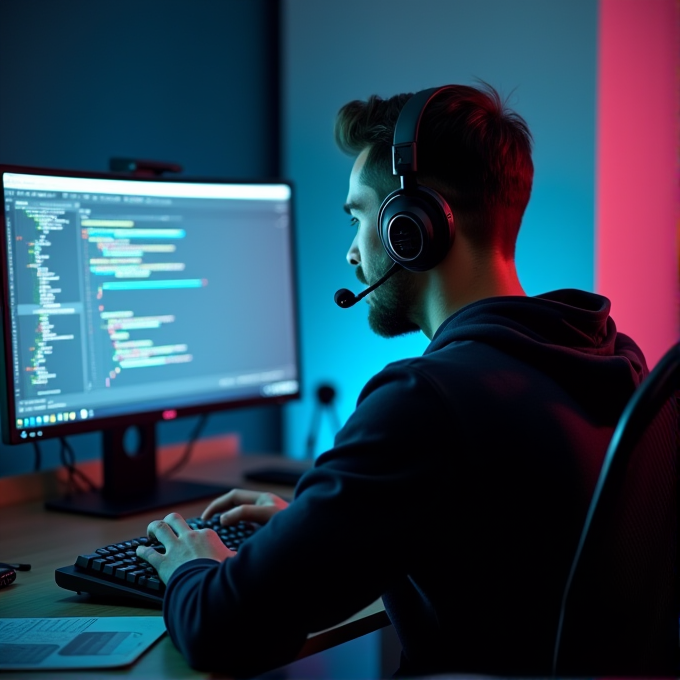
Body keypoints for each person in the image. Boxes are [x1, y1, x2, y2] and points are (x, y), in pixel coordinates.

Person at [136, 84, 652, 676]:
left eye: (359, 216)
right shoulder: (605, 355)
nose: (353, 252)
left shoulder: (427, 400)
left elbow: (222, 630)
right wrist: (320, 531)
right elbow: (501, 545)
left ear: (413, 227)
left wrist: (190, 566)